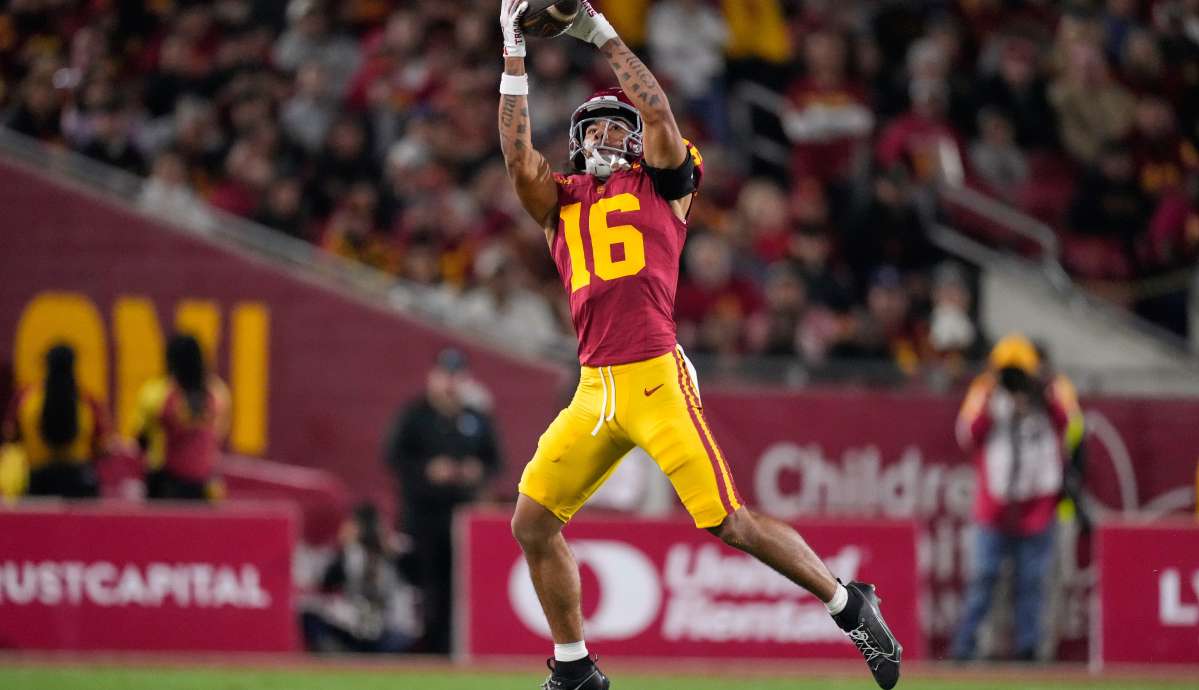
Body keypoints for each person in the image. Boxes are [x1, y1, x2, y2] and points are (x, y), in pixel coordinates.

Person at [495, 3, 902, 689]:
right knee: (531, 523)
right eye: (590, 126)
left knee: (729, 521)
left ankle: (846, 602)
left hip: (654, 378)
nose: (602, 133)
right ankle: (574, 667)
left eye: (612, 126)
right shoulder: (559, 202)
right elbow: (514, 155)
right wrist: (512, 49)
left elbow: (657, 115)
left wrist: (600, 33)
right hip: (595, 388)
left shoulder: (662, 186)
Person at [951, 334, 1080, 662]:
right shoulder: (985, 391)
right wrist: (995, 400)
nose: (1014, 380)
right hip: (993, 505)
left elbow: (1073, 428)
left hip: (1038, 503)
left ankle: (1028, 652)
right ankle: (963, 650)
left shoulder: (1053, 389)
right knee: (983, 579)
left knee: (1033, 583)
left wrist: (1044, 394)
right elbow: (966, 434)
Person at [383, 347, 501, 655]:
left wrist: (476, 471)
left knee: (457, 584)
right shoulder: (414, 415)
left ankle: (452, 647)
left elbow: (494, 460)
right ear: (432, 377)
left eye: (456, 376)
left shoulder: (475, 418)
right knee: (423, 582)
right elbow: (394, 457)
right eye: (444, 375)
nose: (450, 383)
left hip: (462, 515)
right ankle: (423, 647)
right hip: (421, 515)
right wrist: (427, 470)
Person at [300, 502, 416, 653]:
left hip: (388, 630)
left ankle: (340, 656)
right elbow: (326, 582)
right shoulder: (358, 554)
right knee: (313, 613)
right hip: (370, 626)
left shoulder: (391, 553)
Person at [133, 334, 231, 500]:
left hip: (164, 484)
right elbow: (219, 434)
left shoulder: (156, 393)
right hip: (205, 483)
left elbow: (141, 439)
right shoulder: (218, 392)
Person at [2, 344, 108, 498]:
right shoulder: (87, 401)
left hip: (36, 483)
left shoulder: (26, 398)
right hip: (78, 483)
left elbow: (10, 436)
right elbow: (101, 446)